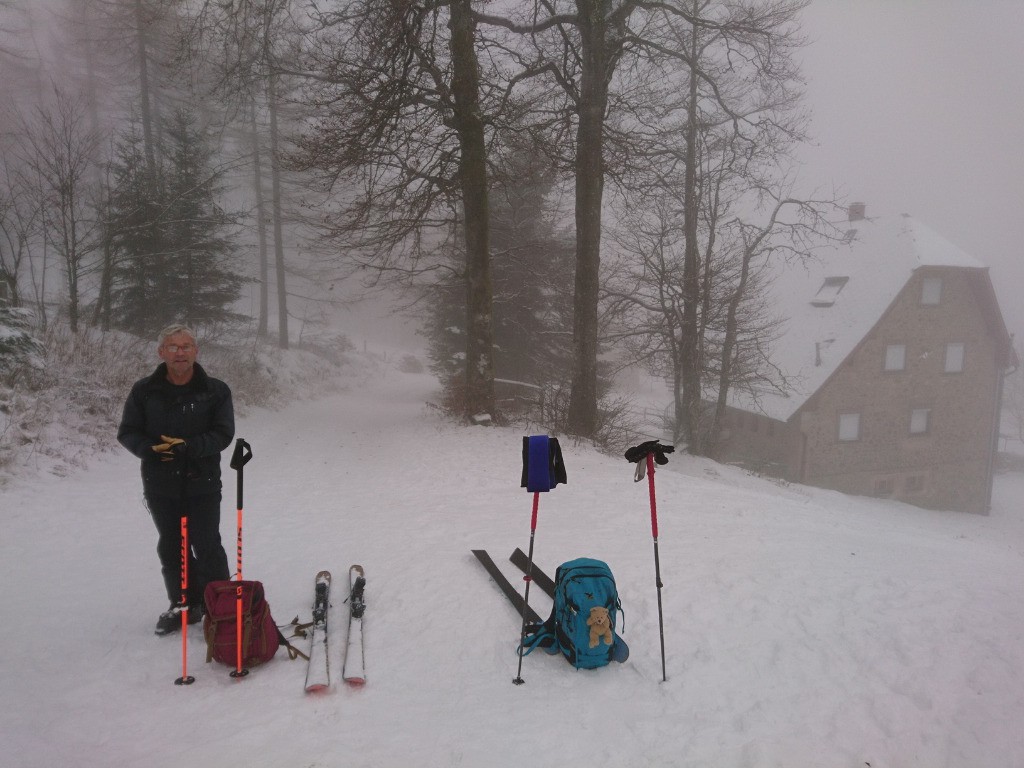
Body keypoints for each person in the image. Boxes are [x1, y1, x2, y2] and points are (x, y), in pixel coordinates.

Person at [118, 324, 234, 635]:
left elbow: (223, 434)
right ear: (161, 352)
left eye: (185, 346)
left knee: (207, 543)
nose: (179, 352)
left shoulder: (215, 390)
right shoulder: (144, 391)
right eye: (173, 346)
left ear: (196, 351)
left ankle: (220, 606)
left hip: (203, 480)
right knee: (171, 545)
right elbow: (128, 432)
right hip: (160, 482)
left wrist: (190, 447)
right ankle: (184, 603)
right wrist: (149, 449)